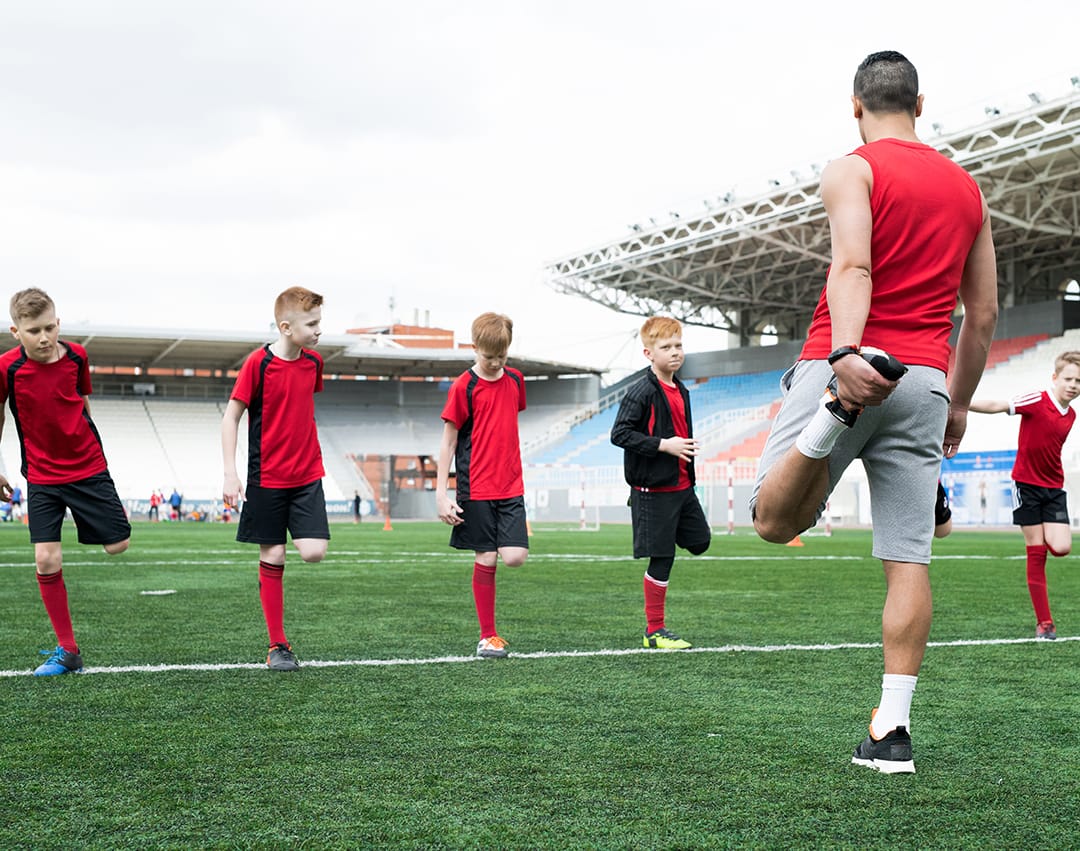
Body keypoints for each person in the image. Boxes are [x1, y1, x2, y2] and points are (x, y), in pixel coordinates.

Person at [749, 51, 998, 774]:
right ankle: (891, 731)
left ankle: (830, 415)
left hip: (853, 362)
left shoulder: (852, 167)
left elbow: (852, 264)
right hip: (924, 382)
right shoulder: (967, 189)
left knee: (772, 521)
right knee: (908, 558)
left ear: (855, 106)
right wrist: (954, 403)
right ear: (922, 103)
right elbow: (980, 316)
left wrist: (848, 356)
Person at [0, 288, 132, 675]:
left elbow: (83, 403)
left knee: (117, 545)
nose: (43, 338)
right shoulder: (6, 368)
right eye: (33, 331)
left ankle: (98, 514)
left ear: (58, 324)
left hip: (88, 467)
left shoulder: (77, 356)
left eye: (49, 328)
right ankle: (67, 649)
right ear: (15, 332)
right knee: (45, 558)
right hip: (41, 474)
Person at [222, 286, 330, 672]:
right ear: (285, 327)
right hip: (266, 478)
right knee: (274, 554)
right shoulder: (258, 364)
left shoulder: (314, 363)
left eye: (320, 322)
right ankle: (277, 645)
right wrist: (231, 473)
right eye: (312, 323)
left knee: (314, 551)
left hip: (307, 477)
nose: (319, 330)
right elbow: (231, 417)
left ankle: (279, 641)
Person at [610, 316, 711, 650]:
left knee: (700, 541)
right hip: (653, 491)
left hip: (683, 487)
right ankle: (654, 631)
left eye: (678, 345)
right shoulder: (640, 392)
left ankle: (660, 534)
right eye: (666, 347)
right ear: (648, 353)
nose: (675, 352)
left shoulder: (681, 388)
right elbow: (620, 434)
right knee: (662, 556)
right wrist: (662, 445)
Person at [968, 351, 1080, 640]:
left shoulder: (1072, 415)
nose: (1073, 385)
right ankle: (1045, 623)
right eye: (1068, 378)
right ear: (1055, 378)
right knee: (1037, 551)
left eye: (1079, 381)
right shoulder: (1037, 400)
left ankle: (1043, 546)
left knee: (1062, 547)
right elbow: (997, 405)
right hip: (1026, 486)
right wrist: (960, 403)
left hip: (1054, 489)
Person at [436, 312, 528, 659]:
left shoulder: (517, 381)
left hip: (511, 486)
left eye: (501, 357)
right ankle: (487, 636)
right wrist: (442, 492)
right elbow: (447, 442)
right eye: (488, 357)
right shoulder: (464, 386)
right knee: (486, 556)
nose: (494, 363)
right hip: (475, 488)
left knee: (516, 557)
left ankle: (489, 633)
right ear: (475, 348)